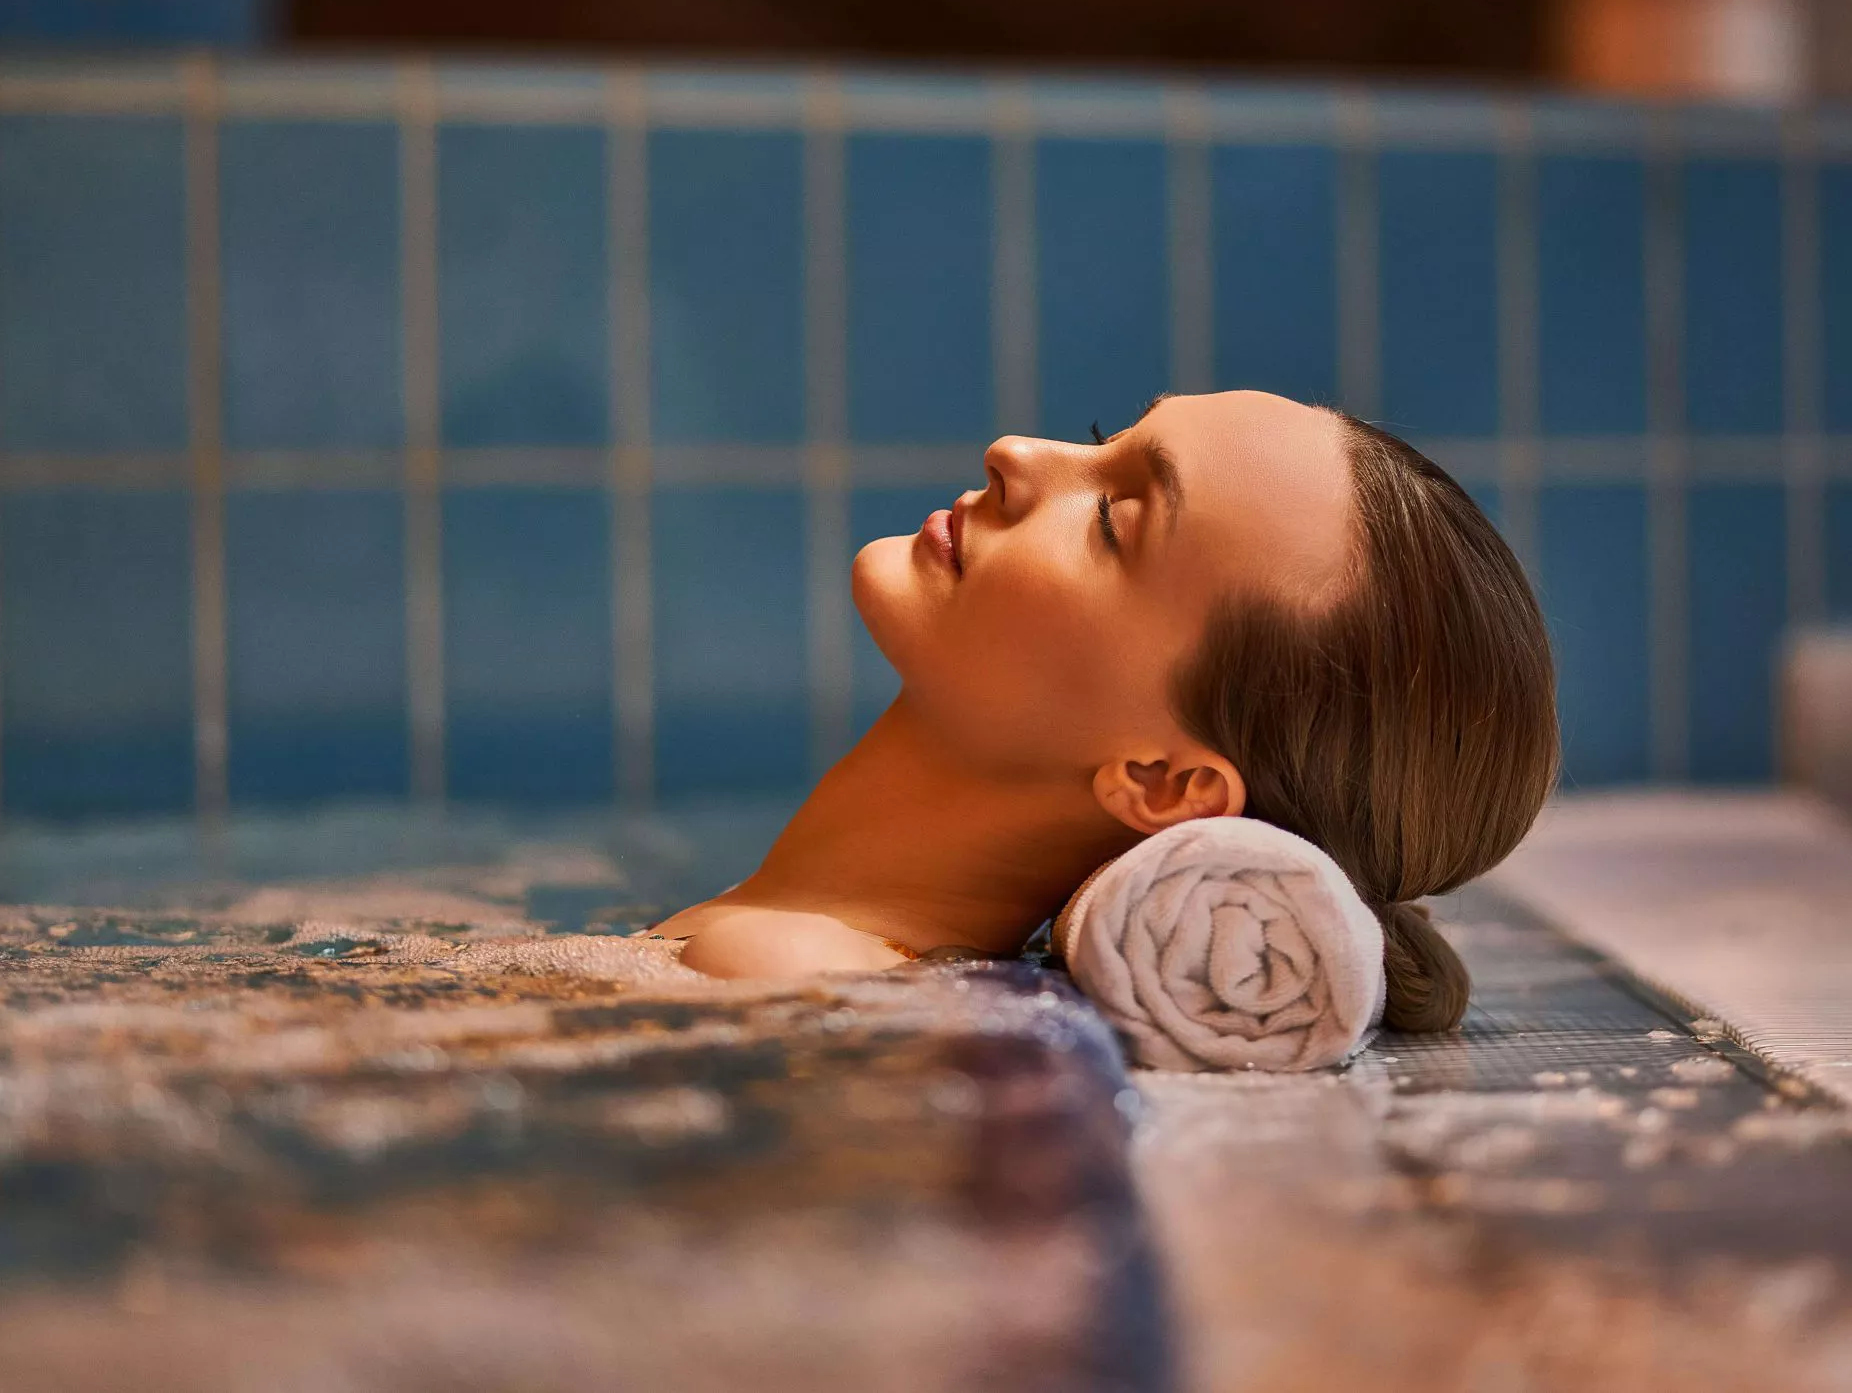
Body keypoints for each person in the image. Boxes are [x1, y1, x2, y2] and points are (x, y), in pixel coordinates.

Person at [641, 388, 1558, 1031]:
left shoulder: (783, 975)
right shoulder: (775, 945)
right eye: (1098, 435)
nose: (1017, 453)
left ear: (1164, 782)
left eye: (1113, 519)